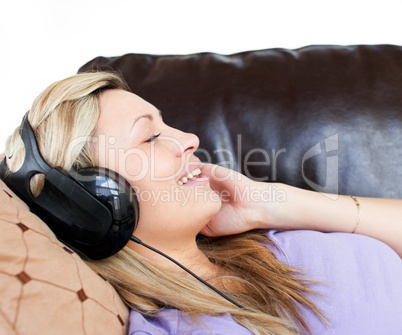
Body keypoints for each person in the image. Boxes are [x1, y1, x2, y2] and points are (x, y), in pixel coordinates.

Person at [3, 72, 402, 335]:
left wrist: (272, 202)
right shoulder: (178, 327)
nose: (190, 138)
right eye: (150, 138)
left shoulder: (262, 238)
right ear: (94, 203)